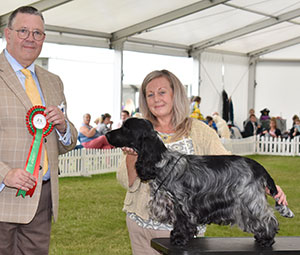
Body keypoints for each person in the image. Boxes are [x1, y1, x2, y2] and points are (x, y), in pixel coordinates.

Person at [116, 69, 288, 255]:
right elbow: (128, 182)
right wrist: (132, 155)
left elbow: (231, 167)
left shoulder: (199, 130)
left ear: (176, 95)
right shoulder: (137, 130)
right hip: (140, 227)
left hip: (184, 233)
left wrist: (266, 185)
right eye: (150, 94)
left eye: (162, 92)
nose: (156, 98)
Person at [0, 6, 78, 254]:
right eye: (23, 31)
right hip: (3, 194)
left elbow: (66, 143)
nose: (30, 38)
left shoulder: (53, 81)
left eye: (37, 33)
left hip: (41, 199)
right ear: (7, 34)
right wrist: (5, 174)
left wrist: (64, 126)